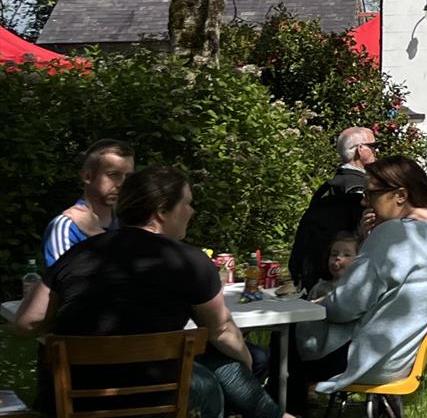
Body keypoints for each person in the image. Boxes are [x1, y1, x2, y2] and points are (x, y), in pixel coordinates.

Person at [14, 166, 290, 418]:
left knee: (219, 367)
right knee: (224, 370)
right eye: (187, 203)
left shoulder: (81, 253)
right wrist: (247, 364)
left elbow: (27, 322)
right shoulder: (189, 261)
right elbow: (221, 331)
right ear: (162, 211)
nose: (192, 211)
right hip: (157, 399)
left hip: (75, 397)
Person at [292, 157, 427, 410]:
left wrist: (315, 304)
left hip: (369, 359)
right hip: (404, 356)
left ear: (400, 195)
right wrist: (368, 240)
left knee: (284, 337)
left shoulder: (394, 234)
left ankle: (284, 411)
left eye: (370, 194)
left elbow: (344, 307)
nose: (364, 202)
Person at [290, 127, 375, 291]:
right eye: (373, 146)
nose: (376, 152)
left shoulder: (327, 187)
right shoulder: (360, 189)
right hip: (344, 282)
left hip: (316, 276)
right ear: (360, 149)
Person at [41, 138, 134, 266]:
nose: (121, 184)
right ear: (87, 177)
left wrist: (96, 234)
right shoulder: (66, 226)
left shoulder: (130, 222)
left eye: (128, 177)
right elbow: (66, 282)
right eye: (113, 174)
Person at [307, 233, 361, 300]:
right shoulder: (320, 288)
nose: (338, 257)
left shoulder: (359, 288)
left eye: (346, 255)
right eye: (334, 254)